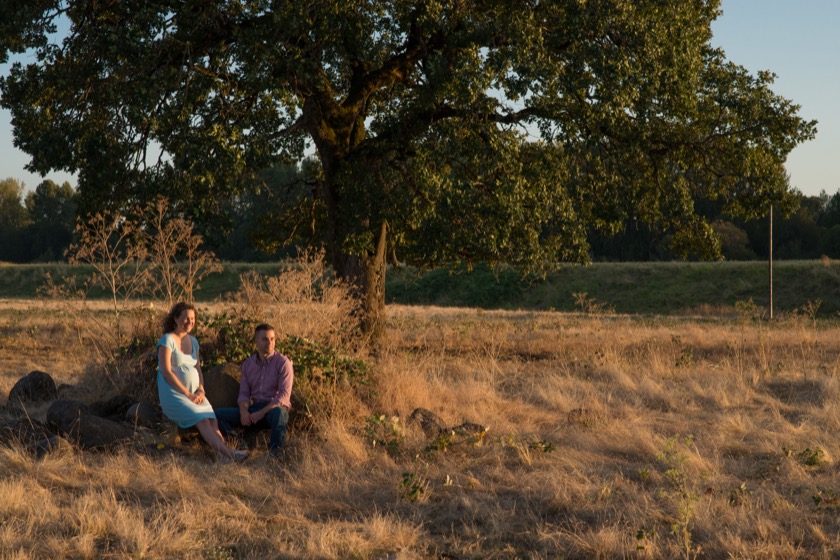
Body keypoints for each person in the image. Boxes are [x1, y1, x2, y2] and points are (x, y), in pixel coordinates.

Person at [157, 302, 247, 464]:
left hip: (194, 394)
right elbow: (166, 372)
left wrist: (201, 390)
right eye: (186, 318)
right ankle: (231, 454)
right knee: (202, 420)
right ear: (175, 319)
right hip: (175, 395)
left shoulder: (193, 341)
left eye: (192, 319)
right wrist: (187, 394)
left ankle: (222, 457)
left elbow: (197, 369)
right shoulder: (167, 340)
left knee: (213, 420)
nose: (190, 322)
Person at [216, 323, 294, 458]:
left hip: (272, 410)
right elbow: (244, 393)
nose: (270, 343)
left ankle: (275, 454)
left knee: (280, 413)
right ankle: (239, 445)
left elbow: (283, 396)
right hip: (254, 409)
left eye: (272, 339)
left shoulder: (283, 363)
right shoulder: (248, 364)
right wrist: (244, 412)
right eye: (265, 339)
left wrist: (261, 413)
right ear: (256, 341)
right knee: (217, 415)